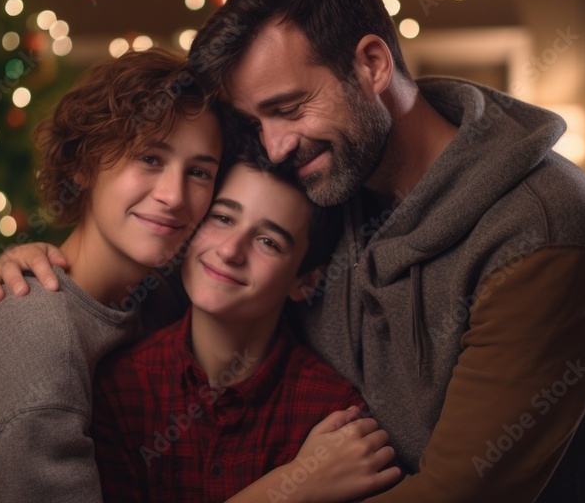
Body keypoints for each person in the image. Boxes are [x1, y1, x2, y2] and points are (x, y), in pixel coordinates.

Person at [0, 0, 585, 502]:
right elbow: (194, 277)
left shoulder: (547, 234)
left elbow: (455, 495)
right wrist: (46, 265)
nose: (272, 146)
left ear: (373, 64)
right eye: (256, 121)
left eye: (289, 107)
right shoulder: (327, 186)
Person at [0, 49, 226, 502]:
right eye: (150, 158)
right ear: (83, 165)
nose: (174, 196)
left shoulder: (161, 300)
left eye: (199, 172)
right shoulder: (38, 330)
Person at [91, 134, 401, 502]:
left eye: (268, 241)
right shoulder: (119, 389)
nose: (229, 251)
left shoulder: (333, 415)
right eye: (222, 218)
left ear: (305, 281)